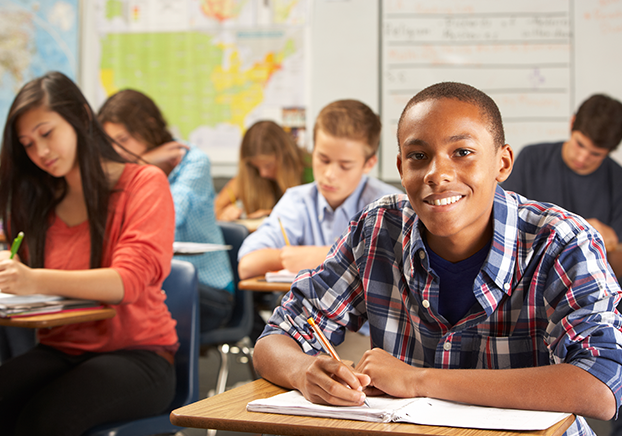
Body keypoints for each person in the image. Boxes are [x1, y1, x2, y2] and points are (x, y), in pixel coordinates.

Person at [252, 82, 622, 436]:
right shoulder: (378, 229)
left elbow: (601, 385)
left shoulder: (561, 241)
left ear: (503, 163)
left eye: (462, 153)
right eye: (418, 156)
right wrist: (304, 371)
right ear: (401, 169)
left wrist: (417, 379)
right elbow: (276, 338)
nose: (437, 174)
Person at [0, 72, 178, 436]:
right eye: (28, 144)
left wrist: (32, 279)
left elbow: (125, 282)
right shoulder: (39, 202)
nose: (41, 153)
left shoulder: (144, 184)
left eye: (47, 134)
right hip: (60, 349)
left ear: (81, 117)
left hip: (139, 356)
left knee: (44, 421)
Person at [98, 89, 235, 334]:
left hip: (207, 289)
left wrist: (141, 166)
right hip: (154, 282)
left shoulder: (192, 160)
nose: (117, 151)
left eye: (124, 139)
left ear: (149, 126)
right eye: (111, 144)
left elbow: (165, 218)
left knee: (133, 300)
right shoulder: (120, 171)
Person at [237, 99, 401, 281]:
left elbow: (402, 269)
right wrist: (287, 257)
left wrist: (320, 256)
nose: (329, 174)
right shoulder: (297, 201)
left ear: (368, 164)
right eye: (323, 159)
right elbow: (247, 265)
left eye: (345, 166)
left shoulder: (390, 207)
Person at [502, 94, 622, 278]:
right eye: (580, 144)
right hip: (530, 281)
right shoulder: (531, 159)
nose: (582, 158)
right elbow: (503, 227)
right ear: (572, 122)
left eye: (595, 154)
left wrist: (611, 244)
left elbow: (616, 267)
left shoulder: (617, 180)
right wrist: (582, 232)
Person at [215, 120, 312, 221]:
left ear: (284, 157)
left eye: (268, 165)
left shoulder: (310, 168)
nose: (263, 173)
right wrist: (224, 215)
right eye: (256, 167)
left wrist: (273, 214)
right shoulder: (250, 174)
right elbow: (215, 210)